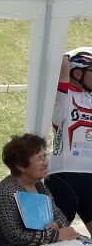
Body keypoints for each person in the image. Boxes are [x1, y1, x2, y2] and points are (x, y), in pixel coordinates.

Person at [0, 133, 92, 246]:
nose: (46, 162)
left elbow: (59, 216)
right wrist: (56, 235)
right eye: (40, 158)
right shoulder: (5, 193)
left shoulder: (39, 186)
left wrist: (57, 225)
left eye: (45, 156)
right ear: (21, 166)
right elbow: (15, 237)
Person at [45, 51, 92, 228]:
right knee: (57, 237)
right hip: (64, 176)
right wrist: (66, 56)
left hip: (89, 176)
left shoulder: (89, 97)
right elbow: (62, 63)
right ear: (78, 73)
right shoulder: (64, 97)